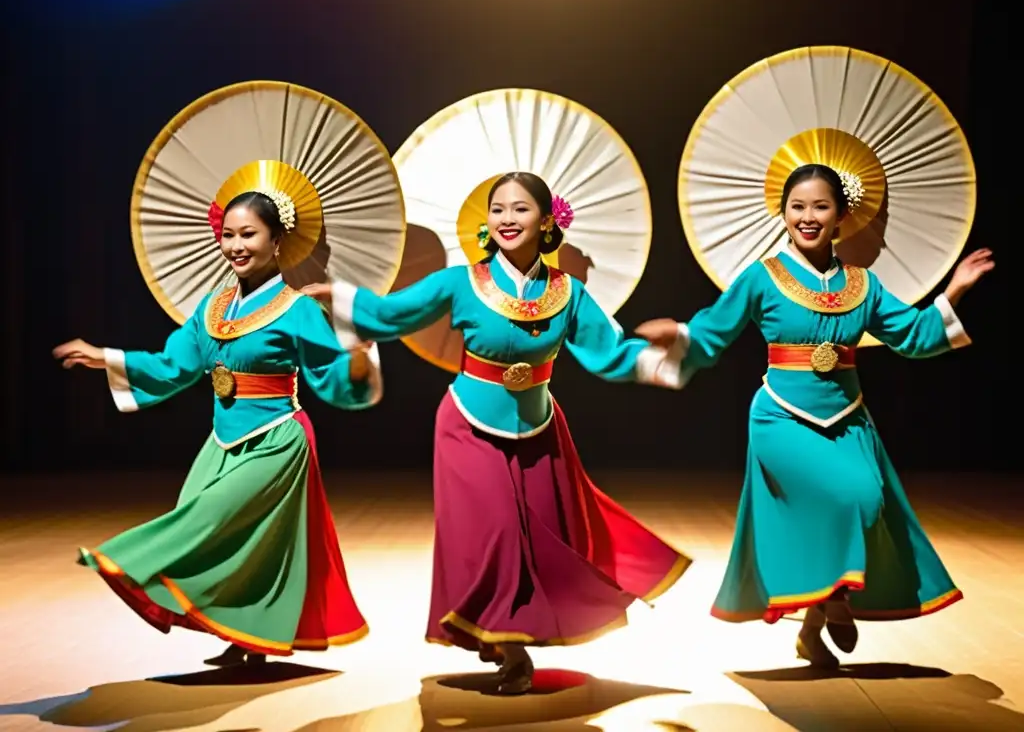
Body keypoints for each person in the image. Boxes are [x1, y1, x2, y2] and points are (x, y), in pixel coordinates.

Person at [303, 172, 691, 694]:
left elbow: (608, 352)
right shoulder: (459, 282)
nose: (507, 219)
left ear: (547, 220)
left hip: (539, 425)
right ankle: (509, 646)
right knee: (495, 535)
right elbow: (391, 314)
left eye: (520, 209)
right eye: (498, 210)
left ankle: (506, 633)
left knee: (542, 540)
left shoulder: (567, 294)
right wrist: (339, 299)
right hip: (467, 423)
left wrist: (660, 355)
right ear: (485, 222)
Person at [636, 163, 993, 668]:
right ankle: (835, 600)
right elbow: (714, 329)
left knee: (867, 500)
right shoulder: (762, 277)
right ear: (782, 213)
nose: (807, 216)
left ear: (841, 216)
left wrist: (953, 292)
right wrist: (680, 335)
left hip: (848, 416)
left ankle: (813, 626)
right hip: (780, 417)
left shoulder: (862, 285)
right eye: (797, 206)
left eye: (820, 206)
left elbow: (912, 334)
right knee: (839, 496)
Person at [53, 188, 382, 668]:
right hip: (222, 440)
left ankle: (125, 560)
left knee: (204, 522)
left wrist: (356, 366)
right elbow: (173, 365)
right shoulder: (214, 308)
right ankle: (246, 635)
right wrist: (106, 356)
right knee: (235, 539)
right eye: (228, 234)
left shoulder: (298, 309)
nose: (236, 245)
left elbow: (328, 372)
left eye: (249, 234)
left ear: (277, 242)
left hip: (277, 439)